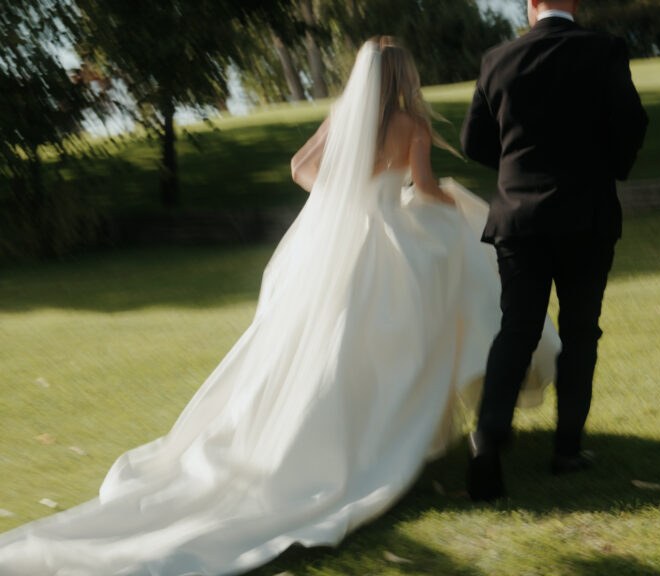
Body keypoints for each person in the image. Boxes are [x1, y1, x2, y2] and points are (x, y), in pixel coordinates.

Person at [0, 37, 559, 575]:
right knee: (399, 332)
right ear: (404, 79)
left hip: (344, 243)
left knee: (330, 344)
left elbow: (300, 167)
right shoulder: (410, 124)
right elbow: (425, 186)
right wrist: (458, 201)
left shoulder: (345, 118)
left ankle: (334, 432)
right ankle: (386, 433)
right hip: (394, 239)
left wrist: (343, 199)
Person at [461, 0, 648, 502]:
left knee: (517, 327)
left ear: (530, 6)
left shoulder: (496, 59)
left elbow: (474, 141)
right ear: (574, 4)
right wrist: (603, 168)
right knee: (581, 329)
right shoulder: (603, 50)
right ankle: (567, 449)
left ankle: (489, 433)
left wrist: (516, 171)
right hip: (586, 214)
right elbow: (631, 123)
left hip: (518, 219)